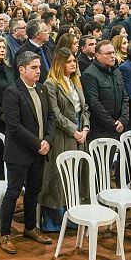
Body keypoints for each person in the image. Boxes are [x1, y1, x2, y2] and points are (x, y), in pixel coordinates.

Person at [0, 51, 55, 254]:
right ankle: (4, 233)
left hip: (39, 151)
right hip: (19, 153)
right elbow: (14, 126)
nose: (38, 71)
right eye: (33, 67)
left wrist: (47, 140)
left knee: (33, 191)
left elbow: (50, 117)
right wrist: (38, 143)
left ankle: (30, 228)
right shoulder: (12, 92)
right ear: (21, 70)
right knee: (13, 193)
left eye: (39, 67)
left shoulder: (41, 89)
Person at [40, 47, 89, 232]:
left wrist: (85, 127)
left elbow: (84, 108)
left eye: (74, 61)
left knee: (75, 175)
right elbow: (55, 113)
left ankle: (73, 214)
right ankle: (54, 221)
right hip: (62, 136)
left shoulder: (76, 81)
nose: (73, 64)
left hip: (79, 134)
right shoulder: (51, 84)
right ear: (60, 64)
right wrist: (74, 130)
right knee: (58, 177)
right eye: (69, 62)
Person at [81, 40, 128, 141]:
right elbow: (94, 103)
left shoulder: (116, 71)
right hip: (101, 131)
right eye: (108, 53)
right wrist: (113, 124)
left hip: (119, 126)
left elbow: (125, 97)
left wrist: (123, 120)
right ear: (97, 55)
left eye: (113, 53)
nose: (112, 56)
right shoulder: (89, 74)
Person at [14, 19, 50, 83]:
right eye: (45, 30)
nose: (48, 32)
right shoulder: (22, 53)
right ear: (38, 35)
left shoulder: (46, 48)